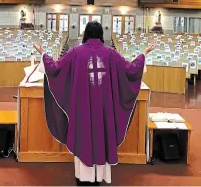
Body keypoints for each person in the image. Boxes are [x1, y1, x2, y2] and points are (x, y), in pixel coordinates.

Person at [33, 21, 155, 185]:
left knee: (83, 138)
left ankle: (83, 178)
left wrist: (42, 53)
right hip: (103, 110)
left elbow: (55, 68)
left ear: (85, 34)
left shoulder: (76, 52)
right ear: (100, 35)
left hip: (81, 110)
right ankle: (98, 178)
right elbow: (131, 70)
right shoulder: (111, 53)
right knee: (101, 136)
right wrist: (143, 54)